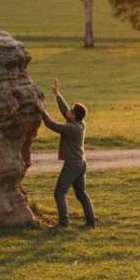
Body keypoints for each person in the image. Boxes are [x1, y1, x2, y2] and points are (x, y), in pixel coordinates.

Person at [35, 78, 95, 229]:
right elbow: (65, 111)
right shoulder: (79, 124)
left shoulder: (72, 129)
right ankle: (91, 222)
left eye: (72, 111)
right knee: (81, 194)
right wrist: (57, 93)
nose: (69, 111)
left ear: (75, 117)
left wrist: (42, 110)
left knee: (59, 193)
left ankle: (63, 222)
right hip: (80, 163)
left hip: (72, 165)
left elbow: (51, 124)